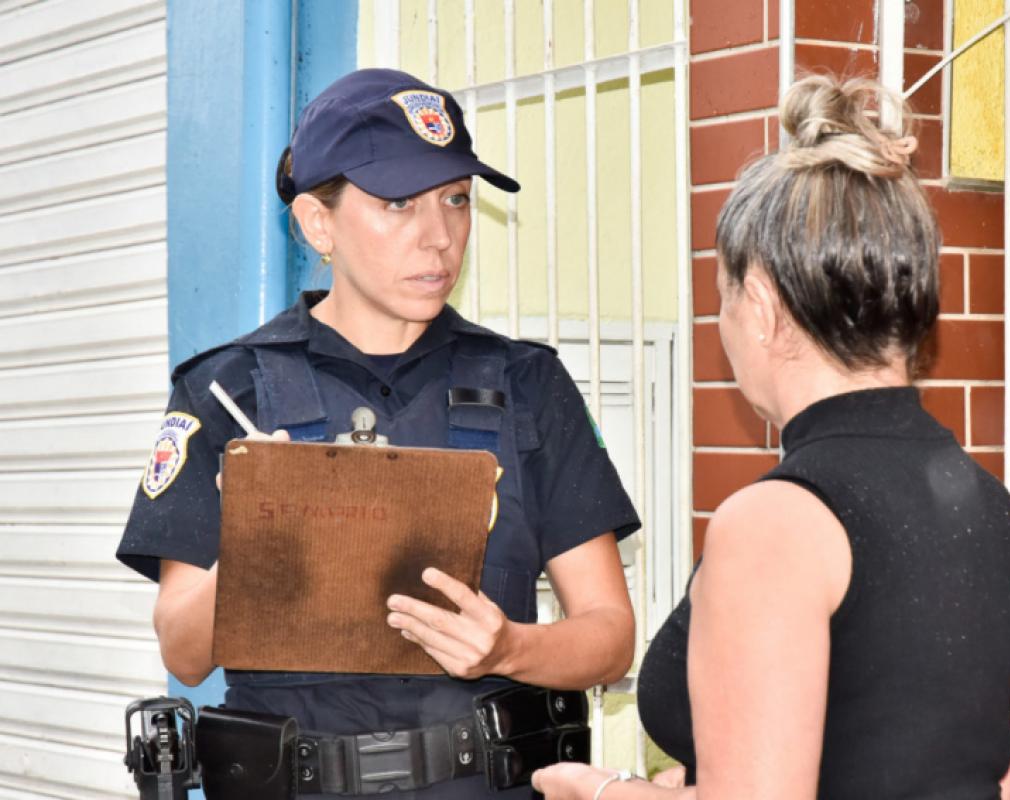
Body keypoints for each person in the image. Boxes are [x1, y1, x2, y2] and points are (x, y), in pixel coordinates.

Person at [116, 68, 640, 799]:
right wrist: (261, 530)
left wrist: (513, 647)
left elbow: (611, 636)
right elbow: (184, 650)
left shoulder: (526, 384)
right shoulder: (227, 391)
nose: (440, 236)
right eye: (398, 203)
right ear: (316, 223)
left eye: (456, 199)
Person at [532, 73, 1010, 800]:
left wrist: (609, 791)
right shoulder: (997, 513)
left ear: (764, 305)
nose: (723, 325)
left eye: (723, 297)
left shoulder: (775, 524)